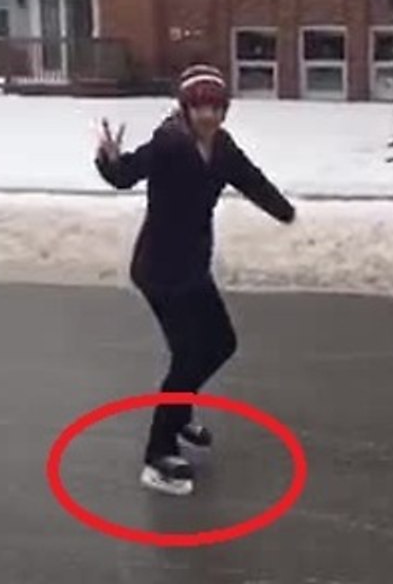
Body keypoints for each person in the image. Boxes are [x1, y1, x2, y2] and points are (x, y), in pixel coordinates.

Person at [94, 63, 296, 496]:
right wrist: (108, 160)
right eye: (200, 107)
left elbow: (249, 179)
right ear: (185, 109)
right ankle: (158, 454)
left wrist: (284, 211)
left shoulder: (221, 147)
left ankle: (180, 411)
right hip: (160, 270)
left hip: (193, 267)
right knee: (188, 357)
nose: (208, 116)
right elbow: (126, 174)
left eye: (216, 107)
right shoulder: (169, 144)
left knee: (221, 343)